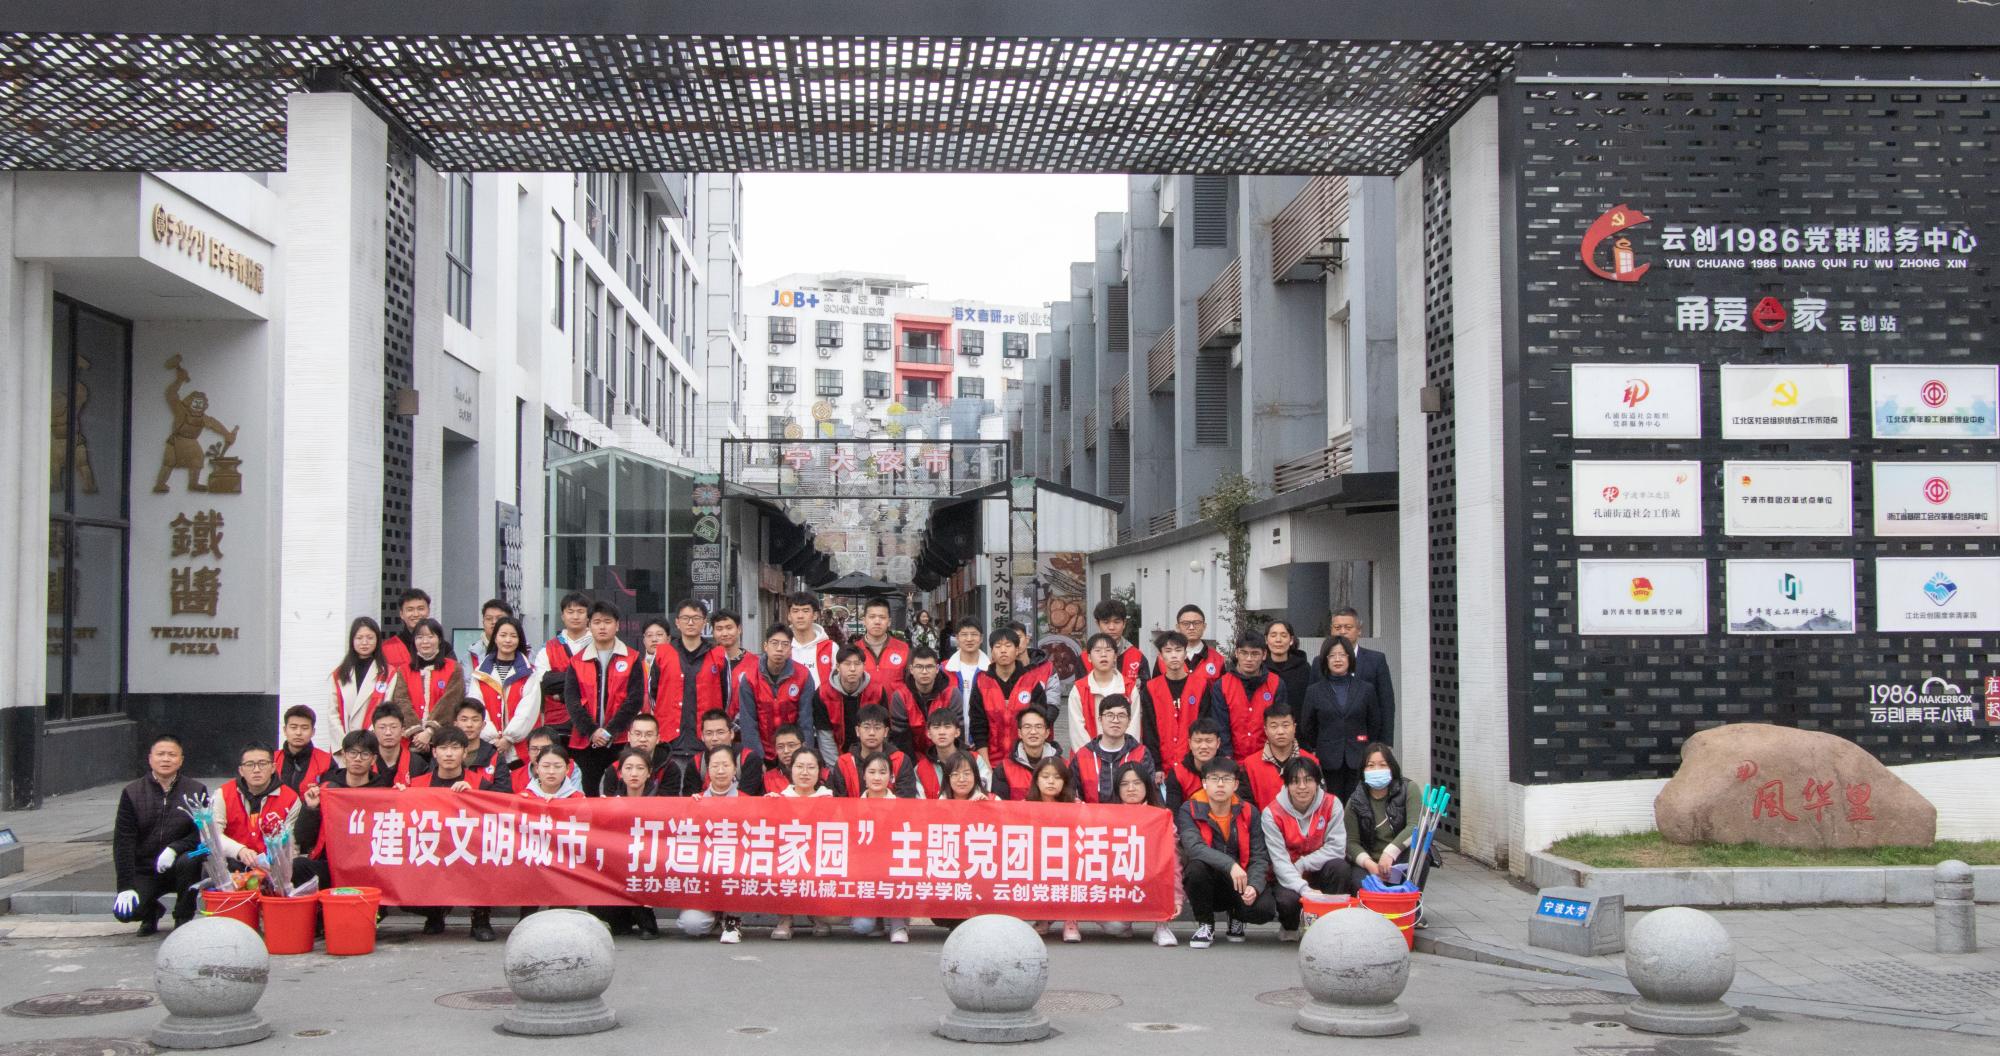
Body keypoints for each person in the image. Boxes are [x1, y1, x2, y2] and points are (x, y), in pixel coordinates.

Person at [405, 728, 501, 940]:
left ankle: (480, 918)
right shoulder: (417, 785)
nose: (449, 753)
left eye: (455, 748)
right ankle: (434, 913)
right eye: (443, 748)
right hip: (432, 848)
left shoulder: (480, 784)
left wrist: (475, 797)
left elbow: (499, 814)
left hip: (470, 849)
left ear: (465, 753)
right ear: (434, 752)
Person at [1175, 757, 1276, 947]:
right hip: (1209, 879)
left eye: (1227, 779)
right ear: (1204, 783)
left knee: (1265, 909)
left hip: (1240, 880)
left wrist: (1254, 886)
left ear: (1235, 784)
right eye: (1214, 778)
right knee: (1195, 868)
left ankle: (1236, 916)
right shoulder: (1190, 809)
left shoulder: (1249, 811)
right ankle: (1206, 924)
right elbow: (1194, 847)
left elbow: (1259, 855)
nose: (1220, 784)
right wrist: (1230, 865)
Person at [112, 735, 207, 935]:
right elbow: (123, 842)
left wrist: (174, 849)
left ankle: (183, 917)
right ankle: (151, 912)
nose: (166, 759)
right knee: (125, 912)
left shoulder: (196, 790)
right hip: (146, 869)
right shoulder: (132, 792)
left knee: (191, 860)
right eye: (160, 754)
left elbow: (202, 834)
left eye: (172, 754)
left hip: (179, 864)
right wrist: (125, 886)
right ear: (150, 758)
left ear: (181, 760)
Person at [562, 600, 647, 797]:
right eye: (597, 622)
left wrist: (610, 732)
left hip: (619, 740)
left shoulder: (632, 657)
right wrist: (592, 731)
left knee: (618, 794)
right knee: (587, 795)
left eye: (607, 622)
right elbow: (572, 701)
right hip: (585, 741)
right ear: (589, 625)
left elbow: (634, 700)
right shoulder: (577, 661)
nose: (602, 627)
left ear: (617, 625)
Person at [1262, 756, 1348, 941]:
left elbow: (1337, 848)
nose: (1302, 787)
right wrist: (1304, 889)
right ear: (1286, 785)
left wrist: (1303, 864)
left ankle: (1331, 925)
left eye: (1308, 780)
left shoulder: (1332, 804)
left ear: (1317, 782)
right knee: (1287, 901)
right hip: (1289, 874)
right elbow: (1279, 861)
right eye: (1295, 781)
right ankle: (1290, 926)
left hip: (1319, 870)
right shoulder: (1271, 813)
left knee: (1340, 867)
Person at [295, 730, 391, 887]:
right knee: (299, 866)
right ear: (344, 755)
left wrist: (400, 795)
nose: (358, 759)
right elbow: (303, 839)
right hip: (332, 864)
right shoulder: (328, 789)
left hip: (369, 866)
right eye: (352, 753)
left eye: (364, 754)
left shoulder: (383, 793)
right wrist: (311, 808)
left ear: (373, 759)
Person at [677, 744, 748, 944]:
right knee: (692, 925)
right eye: (715, 766)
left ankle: (733, 918)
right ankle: (715, 917)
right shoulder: (695, 802)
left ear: (734, 768)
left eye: (726, 765)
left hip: (733, 873)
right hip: (704, 877)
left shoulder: (748, 802)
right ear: (708, 770)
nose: (721, 770)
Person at [1299, 638, 1382, 801]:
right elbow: (1307, 725)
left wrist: (1365, 744)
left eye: (1342, 655)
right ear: (1325, 660)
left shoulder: (1366, 689)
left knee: (1357, 804)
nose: (1337, 659)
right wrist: (1322, 743)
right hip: (1327, 759)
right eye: (1332, 655)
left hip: (1358, 756)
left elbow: (1374, 722)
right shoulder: (1314, 691)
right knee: (1331, 803)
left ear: (1350, 658)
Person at [1108, 760, 1180, 947]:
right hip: (1120, 882)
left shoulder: (1161, 817)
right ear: (1117, 788)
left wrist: (1176, 897)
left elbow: (1173, 862)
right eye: (1124, 784)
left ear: (1147, 786)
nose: (1131, 788)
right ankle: (1125, 921)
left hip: (1153, 880)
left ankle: (1161, 925)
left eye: (1137, 783)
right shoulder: (1106, 816)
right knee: (1114, 927)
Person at [1139, 631, 1224, 779]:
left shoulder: (1200, 686)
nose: (1174, 655)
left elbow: (1205, 724)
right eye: (1168, 651)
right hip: (1163, 768)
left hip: (1193, 765)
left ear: (1185, 654)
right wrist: (1156, 766)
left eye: (1178, 650)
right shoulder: (1151, 688)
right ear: (1160, 656)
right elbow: (1149, 730)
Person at [846, 752, 911, 943]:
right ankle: (877, 919)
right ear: (863, 775)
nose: (876, 777)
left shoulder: (902, 806)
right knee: (862, 926)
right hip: (864, 875)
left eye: (882, 772)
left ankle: (899, 923)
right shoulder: (852, 807)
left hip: (894, 870)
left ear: (891, 777)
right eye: (871, 772)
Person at [768, 748, 832, 941]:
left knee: (834, 916)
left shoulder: (830, 799)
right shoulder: (778, 799)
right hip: (788, 859)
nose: (805, 773)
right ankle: (785, 918)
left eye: (811, 767)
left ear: (820, 771)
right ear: (791, 769)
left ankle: (817, 914)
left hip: (818, 859)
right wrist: (765, 808)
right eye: (800, 767)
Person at [214, 744, 303, 879]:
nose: (256, 770)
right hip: (234, 861)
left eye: (262, 763)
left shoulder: (291, 799)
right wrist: (240, 850)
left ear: (273, 768)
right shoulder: (223, 793)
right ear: (241, 770)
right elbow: (212, 836)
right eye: (250, 764)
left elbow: (291, 845)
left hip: (273, 866)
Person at [604, 747, 664, 939]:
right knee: (606, 917)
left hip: (650, 861)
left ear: (649, 772)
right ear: (620, 773)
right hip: (618, 861)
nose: (634, 773)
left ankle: (647, 921)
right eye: (628, 768)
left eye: (640, 768)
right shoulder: (610, 802)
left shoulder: (662, 801)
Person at [653, 600, 721, 769]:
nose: (690, 623)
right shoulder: (663, 653)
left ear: (704, 622)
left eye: (696, 618)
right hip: (670, 741)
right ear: (677, 622)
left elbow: (725, 696)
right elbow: (653, 693)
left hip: (706, 741)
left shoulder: (717, 655)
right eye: (685, 618)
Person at [1022, 755, 1084, 943]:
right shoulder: (1024, 806)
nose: (1051, 781)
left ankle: (1071, 919)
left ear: (1064, 782)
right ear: (1036, 780)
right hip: (1037, 859)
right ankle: (1044, 917)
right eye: (1045, 776)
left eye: (1057, 777)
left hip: (1068, 859)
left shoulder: (1076, 806)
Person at [971, 627, 1052, 767]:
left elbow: (1040, 723)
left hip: (1025, 761)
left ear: (1017, 650)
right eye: (998, 646)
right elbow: (978, 726)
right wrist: (985, 765)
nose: (1003, 650)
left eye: (1008, 646)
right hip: (991, 761)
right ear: (992, 652)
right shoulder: (981, 682)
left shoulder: (1032, 682)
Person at [1345, 743, 1419, 895]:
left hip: (1400, 858)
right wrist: (1370, 864)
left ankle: (1412, 904)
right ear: (1363, 771)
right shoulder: (1355, 801)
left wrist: (1389, 854)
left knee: (1420, 855)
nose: (1376, 770)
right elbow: (1351, 842)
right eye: (1370, 765)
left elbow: (1414, 826)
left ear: (1392, 768)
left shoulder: (1409, 789)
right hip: (1369, 861)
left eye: (1383, 765)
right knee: (1361, 886)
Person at [735, 625, 818, 761]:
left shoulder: (803, 675)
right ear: (765, 646)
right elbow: (748, 724)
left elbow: (806, 721)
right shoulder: (749, 677)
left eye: (785, 644)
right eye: (774, 643)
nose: (779, 649)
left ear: (790, 649)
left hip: (793, 752)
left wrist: (803, 756)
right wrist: (756, 760)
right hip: (762, 751)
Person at [325, 616, 408, 750]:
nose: (364, 642)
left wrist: (366, 741)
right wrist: (346, 743)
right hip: (344, 746)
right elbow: (332, 713)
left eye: (370, 638)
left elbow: (385, 710)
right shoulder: (339, 674)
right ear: (352, 641)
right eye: (359, 638)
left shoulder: (388, 673)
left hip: (372, 745)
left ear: (377, 640)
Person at [1065, 632, 1154, 750]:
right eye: (1097, 650)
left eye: (1108, 650)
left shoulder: (1129, 688)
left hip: (1123, 756)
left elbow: (1133, 728)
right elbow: (1077, 732)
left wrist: (1123, 755)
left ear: (1115, 656)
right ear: (1089, 657)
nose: (1103, 655)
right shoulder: (1079, 689)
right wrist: (1092, 757)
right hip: (1088, 756)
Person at [1204, 633, 1285, 760]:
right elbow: (1221, 726)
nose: (1249, 658)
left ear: (1264, 655)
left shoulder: (1276, 683)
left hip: (1267, 758)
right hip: (1232, 760)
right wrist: (1227, 758)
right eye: (1244, 653)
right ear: (1236, 653)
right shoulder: (1222, 685)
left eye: (1255, 654)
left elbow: (1280, 724)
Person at [1324, 608, 1396, 746]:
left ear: (1359, 630)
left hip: (1367, 740)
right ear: (1331, 630)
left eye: (1348, 627)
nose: (1342, 631)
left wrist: (1385, 743)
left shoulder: (1376, 660)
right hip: (1330, 743)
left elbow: (1386, 704)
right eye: (1337, 627)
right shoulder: (1321, 661)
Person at [473, 615, 540, 765]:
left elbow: (528, 710)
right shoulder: (480, 673)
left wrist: (509, 738)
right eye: (503, 635)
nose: (508, 640)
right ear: (495, 638)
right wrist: (492, 738)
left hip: (520, 751)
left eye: (513, 636)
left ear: (519, 640)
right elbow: (476, 707)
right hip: (488, 747)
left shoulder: (530, 673)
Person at [529, 591, 593, 741]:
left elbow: (603, 681)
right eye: (570, 612)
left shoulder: (599, 646)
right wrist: (583, 679)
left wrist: (560, 695)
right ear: (563, 616)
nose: (575, 616)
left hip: (591, 723)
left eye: (580, 612)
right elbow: (544, 682)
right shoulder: (548, 648)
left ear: (588, 616)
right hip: (557, 722)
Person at [1070, 694, 1153, 804]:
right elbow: (1072, 794)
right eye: (1109, 715)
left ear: (1129, 721)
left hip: (1131, 814)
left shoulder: (1141, 754)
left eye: (1121, 715)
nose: (1115, 720)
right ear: (1100, 719)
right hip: (1092, 815)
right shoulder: (1083, 756)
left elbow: (1151, 794)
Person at [398, 617, 464, 755]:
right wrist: (417, 733)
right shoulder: (404, 670)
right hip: (411, 742)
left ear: (439, 639)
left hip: (444, 741)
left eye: (430, 636)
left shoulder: (454, 668)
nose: (425, 641)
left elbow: (450, 702)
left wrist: (429, 731)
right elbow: (401, 701)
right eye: (420, 637)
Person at [814, 644, 886, 762]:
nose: (852, 669)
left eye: (857, 664)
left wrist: (872, 763)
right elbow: (825, 736)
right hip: (836, 754)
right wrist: (837, 767)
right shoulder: (823, 693)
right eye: (847, 664)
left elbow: (882, 731)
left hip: (870, 756)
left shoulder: (876, 691)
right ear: (838, 667)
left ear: (864, 666)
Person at [1241, 702, 1317, 809]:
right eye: (1274, 726)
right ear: (1266, 730)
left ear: (1294, 727)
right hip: (1263, 819)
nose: (1280, 732)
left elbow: (1319, 800)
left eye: (1285, 725)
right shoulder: (1250, 765)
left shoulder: (1311, 761)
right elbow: (1247, 807)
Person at [673, 709, 765, 797]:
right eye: (709, 733)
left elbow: (748, 798)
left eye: (720, 732)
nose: (715, 738)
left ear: (732, 734)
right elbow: (690, 800)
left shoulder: (748, 758)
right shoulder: (697, 763)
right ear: (702, 737)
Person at [828, 706, 915, 797]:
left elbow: (906, 799)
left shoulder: (900, 760)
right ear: (857, 731)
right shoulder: (844, 763)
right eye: (866, 727)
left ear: (886, 732)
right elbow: (840, 801)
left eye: (877, 727)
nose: (871, 733)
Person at [889, 645, 959, 756]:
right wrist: (914, 764)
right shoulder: (900, 697)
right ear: (911, 669)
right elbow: (901, 738)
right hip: (912, 757)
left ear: (937, 669)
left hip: (946, 756)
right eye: (919, 667)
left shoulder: (951, 694)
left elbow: (956, 733)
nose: (924, 671)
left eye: (929, 667)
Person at [1162, 718, 1243, 812]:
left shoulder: (1231, 769)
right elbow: (1173, 812)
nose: (1203, 746)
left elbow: (1240, 805)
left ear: (1218, 743)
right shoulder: (1177, 774)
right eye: (1198, 741)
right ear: (1190, 743)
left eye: (1209, 741)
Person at [911, 707, 991, 797]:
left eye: (947, 727)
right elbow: (919, 802)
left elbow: (983, 793)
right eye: (936, 727)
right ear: (928, 733)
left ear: (957, 732)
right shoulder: (920, 769)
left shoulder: (975, 760)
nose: (942, 732)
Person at [990, 705, 1063, 801]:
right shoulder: (1004, 769)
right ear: (1019, 733)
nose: (1033, 732)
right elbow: (999, 806)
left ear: (1047, 733)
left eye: (1038, 727)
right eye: (1027, 727)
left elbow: (1070, 802)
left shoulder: (1063, 767)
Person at [700, 609, 754, 722]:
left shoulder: (755, 663)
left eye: (729, 628)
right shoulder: (704, 661)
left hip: (745, 725)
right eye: (719, 629)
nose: (724, 633)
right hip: (712, 725)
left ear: (739, 629)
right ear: (713, 632)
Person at [605, 712, 676, 794]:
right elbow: (609, 800)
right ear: (629, 737)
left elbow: (669, 800)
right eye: (638, 734)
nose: (643, 739)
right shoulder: (614, 769)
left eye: (649, 735)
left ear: (658, 739)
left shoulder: (669, 768)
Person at [942, 617, 989, 739]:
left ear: (981, 638)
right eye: (964, 635)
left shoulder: (991, 670)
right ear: (957, 638)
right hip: (951, 739)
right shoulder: (944, 670)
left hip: (983, 739)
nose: (969, 639)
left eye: (974, 634)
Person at [785, 590, 839, 687]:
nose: (800, 616)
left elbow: (839, 682)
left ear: (815, 615)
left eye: (805, 611)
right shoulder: (782, 647)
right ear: (789, 616)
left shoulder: (831, 648)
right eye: (795, 611)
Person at [1092, 599, 1148, 690]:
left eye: (1116, 622)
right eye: (1106, 622)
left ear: (1124, 623)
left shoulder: (1138, 657)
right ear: (1098, 624)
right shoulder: (1085, 658)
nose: (1111, 627)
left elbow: (1146, 694)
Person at [276, 704, 334, 793]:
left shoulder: (326, 761)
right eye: (293, 727)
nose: (298, 733)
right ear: (285, 730)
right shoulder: (272, 759)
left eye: (304, 728)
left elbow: (332, 793)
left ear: (313, 732)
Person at [369, 703, 429, 787]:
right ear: (374, 731)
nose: (388, 733)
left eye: (393, 727)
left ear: (402, 730)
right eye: (382, 727)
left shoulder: (418, 764)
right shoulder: (365, 762)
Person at [854, 598, 911, 683]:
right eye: (872, 617)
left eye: (882, 617)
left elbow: (911, 684)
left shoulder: (903, 649)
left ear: (889, 622)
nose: (877, 622)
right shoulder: (854, 650)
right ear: (864, 621)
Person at [1264, 620, 1312, 712]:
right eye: (1273, 635)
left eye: (1284, 635)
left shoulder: (1304, 669)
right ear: (1266, 640)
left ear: (1291, 640)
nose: (1278, 640)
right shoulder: (1260, 669)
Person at [377, 587, 431, 668]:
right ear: (401, 614)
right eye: (410, 609)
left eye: (420, 609)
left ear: (428, 611)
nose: (416, 614)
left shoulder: (442, 646)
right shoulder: (387, 648)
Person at [1173, 605, 1227, 684]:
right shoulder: (1163, 659)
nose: (1191, 627)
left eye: (1196, 623)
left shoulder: (1218, 659)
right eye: (1185, 623)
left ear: (1204, 626)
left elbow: (1223, 689)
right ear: (1178, 627)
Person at [466, 597, 514, 667]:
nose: (494, 622)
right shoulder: (472, 654)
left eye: (499, 618)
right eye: (489, 618)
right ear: (483, 622)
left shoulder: (526, 652)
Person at [761, 724, 808, 795]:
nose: (786, 751)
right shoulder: (768, 778)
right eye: (780, 747)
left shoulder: (821, 775)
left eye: (791, 745)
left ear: (803, 746)